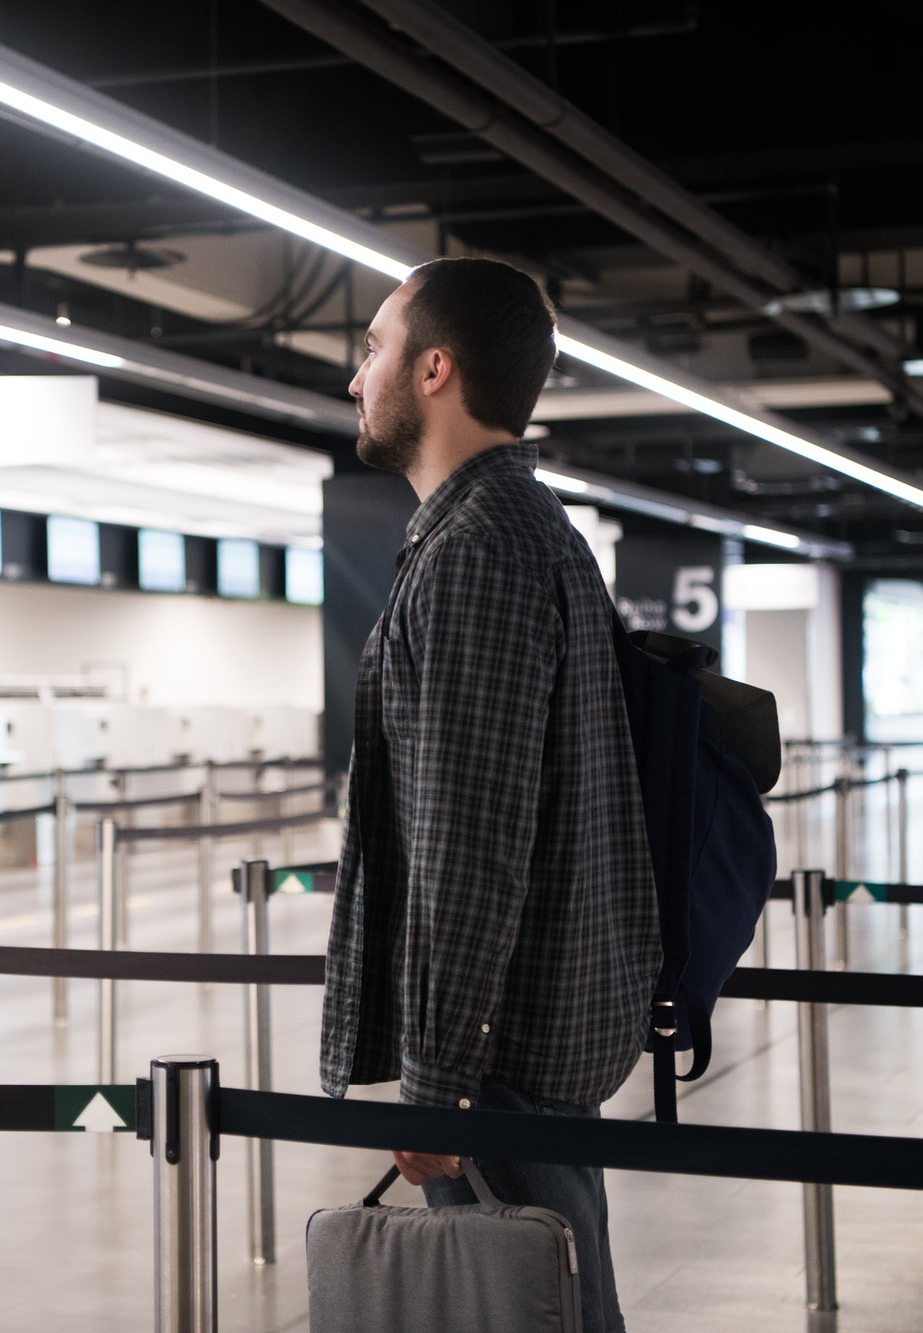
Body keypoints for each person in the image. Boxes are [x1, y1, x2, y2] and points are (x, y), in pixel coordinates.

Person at [319, 257, 658, 1333]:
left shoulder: (476, 549)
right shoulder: (521, 529)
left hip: (503, 1051)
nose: (352, 375)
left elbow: (470, 838)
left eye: (371, 347)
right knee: (549, 1296)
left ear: (432, 368)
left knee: (526, 1308)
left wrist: (436, 1085)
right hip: (531, 1034)